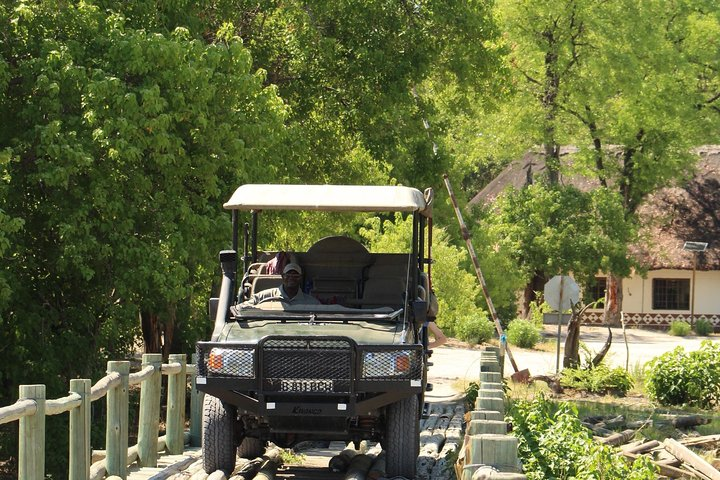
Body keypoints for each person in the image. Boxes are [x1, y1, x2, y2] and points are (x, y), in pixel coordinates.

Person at [243, 263, 320, 306]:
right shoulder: (264, 296)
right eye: (288, 275)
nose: (291, 278)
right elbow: (243, 308)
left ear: (300, 278)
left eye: (295, 276)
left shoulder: (311, 303)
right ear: (283, 277)